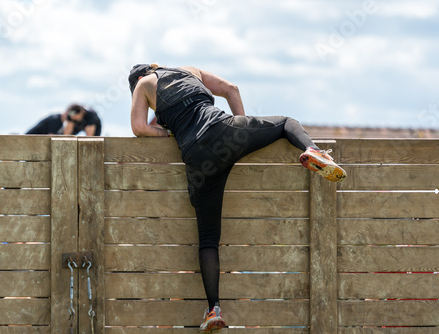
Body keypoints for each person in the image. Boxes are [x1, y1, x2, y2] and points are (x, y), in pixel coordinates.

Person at [128, 64, 346, 332]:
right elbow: (231, 89)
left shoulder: (143, 86)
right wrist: (242, 136)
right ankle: (313, 151)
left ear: (137, 79)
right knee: (287, 122)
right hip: (227, 132)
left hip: (196, 157)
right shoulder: (188, 70)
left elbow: (139, 128)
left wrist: (170, 133)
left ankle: (213, 310)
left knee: (208, 239)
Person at [26, 104, 102, 136]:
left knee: (94, 141)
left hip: (92, 127)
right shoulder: (71, 116)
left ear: (81, 113)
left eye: (75, 117)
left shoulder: (91, 116)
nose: (72, 118)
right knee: (64, 136)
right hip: (79, 125)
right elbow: (67, 132)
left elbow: (90, 136)